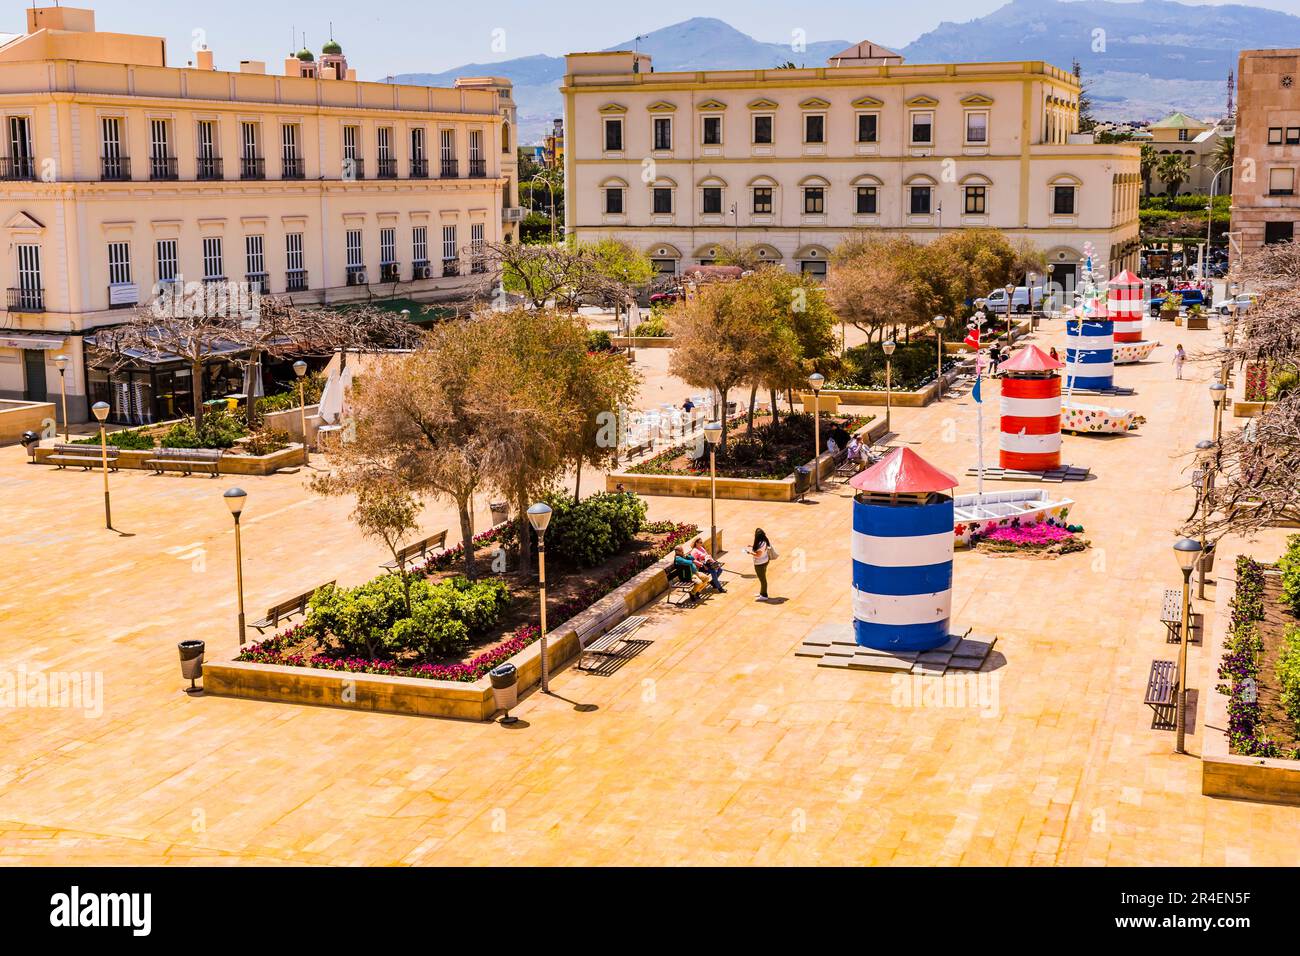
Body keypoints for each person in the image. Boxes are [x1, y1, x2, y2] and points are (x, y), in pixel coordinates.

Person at [745, 528, 774, 601]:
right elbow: (760, 548)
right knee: (762, 578)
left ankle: (764, 595)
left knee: (762, 579)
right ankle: (762, 592)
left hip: (760, 563)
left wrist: (749, 552)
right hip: (765, 561)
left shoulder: (761, 544)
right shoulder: (764, 541)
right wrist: (752, 546)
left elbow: (758, 554)